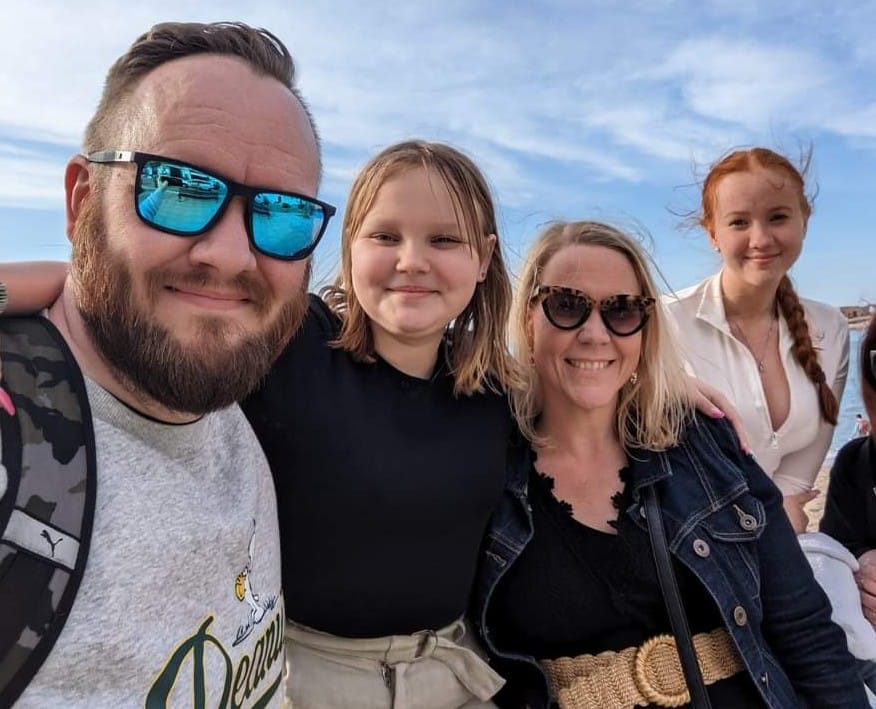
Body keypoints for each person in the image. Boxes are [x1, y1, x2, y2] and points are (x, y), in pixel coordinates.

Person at [1, 138, 749, 707]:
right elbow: (114, 299)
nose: (411, 261)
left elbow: (588, 375)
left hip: (458, 678)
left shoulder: (495, 391)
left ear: (485, 259)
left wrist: (671, 380)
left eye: (444, 240)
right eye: (385, 235)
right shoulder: (288, 345)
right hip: (305, 677)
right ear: (348, 246)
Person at [2, 21, 335, 707]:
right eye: (178, 187)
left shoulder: (223, 404)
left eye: (280, 214)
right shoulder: (18, 443)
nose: (233, 256)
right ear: (81, 200)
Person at [473, 220, 866, 708]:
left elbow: (804, 628)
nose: (595, 334)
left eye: (622, 311)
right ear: (529, 317)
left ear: (645, 327)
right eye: (567, 305)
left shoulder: (702, 441)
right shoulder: (479, 459)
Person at [664, 148, 849, 534]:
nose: (761, 238)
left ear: (804, 221)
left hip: (781, 535)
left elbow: (800, 471)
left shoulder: (830, 328)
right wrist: (767, 514)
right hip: (692, 538)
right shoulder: (665, 323)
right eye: (739, 222)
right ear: (713, 233)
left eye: (777, 217)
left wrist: (775, 519)